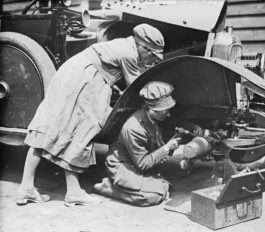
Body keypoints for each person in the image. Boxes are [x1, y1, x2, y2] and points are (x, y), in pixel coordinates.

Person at [16, 24, 165, 207]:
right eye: (151, 54)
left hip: (72, 73)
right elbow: (136, 88)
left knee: (48, 126)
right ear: (143, 46)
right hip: (85, 80)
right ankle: (73, 193)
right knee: (81, 131)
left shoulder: (125, 45)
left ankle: (26, 187)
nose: (151, 59)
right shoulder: (130, 54)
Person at [93, 81, 182, 207]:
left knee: (163, 187)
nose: (168, 114)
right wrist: (167, 148)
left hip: (135, 163)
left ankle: (149, 185)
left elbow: (169, 126)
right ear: (152, 109)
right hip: (124, 166)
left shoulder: (153, 117)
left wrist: (191, 127)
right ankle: (108, 188)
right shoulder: (135, 128)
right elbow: (142, 164)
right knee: (153, 197)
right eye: (164, 111)